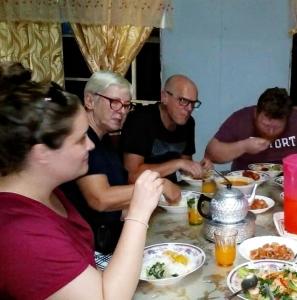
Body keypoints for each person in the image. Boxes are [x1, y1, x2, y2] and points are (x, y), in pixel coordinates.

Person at [0, 62, 163, 299]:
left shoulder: (48, 192)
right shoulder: (21, 233)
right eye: (79, 140)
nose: (90, 145)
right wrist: (139, 213)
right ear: (42, 153)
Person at [60, 71, 181, 254]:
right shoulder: (82, 141)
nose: (122, 111)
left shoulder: (105, 138)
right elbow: (100, 199)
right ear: (90, 101)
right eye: (114, 103)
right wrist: (159, 185)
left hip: (111, 234)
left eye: (126, 105)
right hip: (90, 248)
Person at [204, 87, 297, 170]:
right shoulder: (240, 119)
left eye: (277, 128)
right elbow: (211, 154)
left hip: (289, 182)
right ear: (256, 113)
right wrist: (243, 146)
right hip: (246, 182)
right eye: (266, 125)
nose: (270, 132)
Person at [121, 74, 211, 183]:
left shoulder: (188, 123)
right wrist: (177, 163)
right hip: (140, 192)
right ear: (164, 97)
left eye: (193, 103)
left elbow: (185, 167)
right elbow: (132, 175)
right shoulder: (140, 120)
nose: (189, 108)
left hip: (173, 189)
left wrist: (199, 168)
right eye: (183, 100)